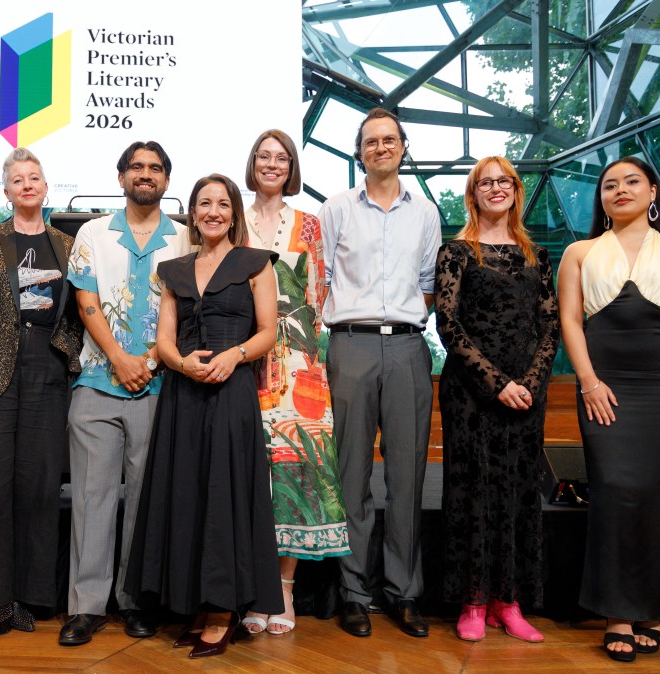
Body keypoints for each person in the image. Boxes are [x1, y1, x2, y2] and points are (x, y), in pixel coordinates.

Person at [557, 156, 660, 662]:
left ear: (653, 192)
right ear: (601, 199)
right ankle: (618, 613)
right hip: (605, 387)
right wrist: (588, 382)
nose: (620, 190)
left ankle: (651, 608)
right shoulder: (580, 252)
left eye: (632, 181)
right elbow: (569, 322)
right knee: (617, 492)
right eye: (610, 185)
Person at [126, 174, 281, 659]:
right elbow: (166, 340)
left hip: (231, 391)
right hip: (183, 394)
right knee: (186, 493)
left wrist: (233, 356)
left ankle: (222, 610)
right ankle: (195, 603)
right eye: (203, 203)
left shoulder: (257, 265)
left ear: (234, 212)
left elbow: (268, 332)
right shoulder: (173, 270)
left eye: (221, 204)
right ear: (192, 213)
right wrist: (179, 363)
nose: (212, 211)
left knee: (225, 492)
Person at [0, 147, 83, 647]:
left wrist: (67, 355)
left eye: (35, 177)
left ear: (46, 187)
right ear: (5, 191)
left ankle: (24, 598)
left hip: (48, 374)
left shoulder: (69, 246)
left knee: (38, 488)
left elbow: (79, 313)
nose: (27, 185)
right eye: (17, 179)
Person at [61, 141, 189, 646]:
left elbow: (183, 309)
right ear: (120, 178)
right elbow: (85, 299)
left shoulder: (184, 239)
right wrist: (118, 357)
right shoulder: (92, 232)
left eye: (155, 169)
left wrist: (152, 360)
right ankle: (86, 606)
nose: (146, 174)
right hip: (97, 380)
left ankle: (135, 600)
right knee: (92, 498)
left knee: (144, 500)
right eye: (137, 167)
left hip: (160, 385)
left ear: (166, 181)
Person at [319, 107, 441, 638]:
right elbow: (319, 279)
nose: (380, 148)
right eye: (371, 141)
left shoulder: (427, 212)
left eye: (390, 140)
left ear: (403, 147)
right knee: (350, 476)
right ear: (359, 151)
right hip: (351, 346)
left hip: (410, 349)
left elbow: (428, 282)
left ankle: (403, 592)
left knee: (407, 475)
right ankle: (353, 592)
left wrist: (404, 325)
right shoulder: (336, 208)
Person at [435, 157, 559, 643]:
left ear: (515, 189)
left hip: (527, 394)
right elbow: (448, 324)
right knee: (472, 493)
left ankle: (508, 601)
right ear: (473, 194)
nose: (494, 189)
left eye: (502, 181)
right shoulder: (457, 252)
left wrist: (529, 381)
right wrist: (496, 383)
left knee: (518, 494)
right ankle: (471, 602)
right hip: (471, 392)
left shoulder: (538, 255)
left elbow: (549, 325)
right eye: (484, 183)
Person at [239, 130, 349, 636]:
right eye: (263, 156)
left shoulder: (309, 225)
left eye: (281, 158)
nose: (271, 164)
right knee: (248, 474)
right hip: (239, 362)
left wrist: (307, 363)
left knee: (297, 472)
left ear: (291, 167)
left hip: (298, 366)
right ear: (252, 163)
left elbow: (318, 298)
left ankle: (283, 588)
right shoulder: (233, 218)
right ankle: (250, 586)